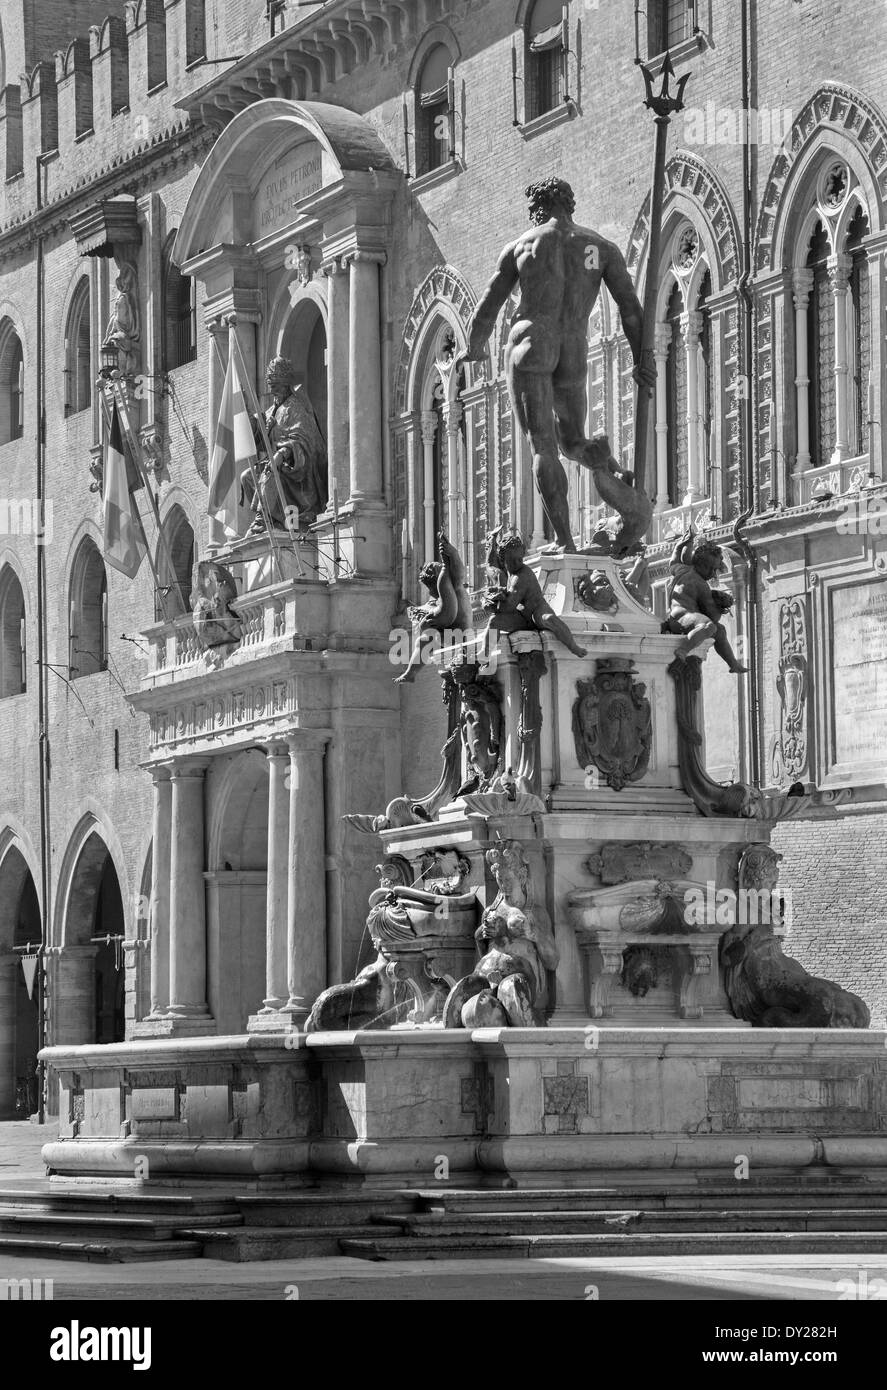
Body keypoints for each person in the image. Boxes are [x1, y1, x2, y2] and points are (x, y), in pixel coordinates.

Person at [461, 177, 656, 552]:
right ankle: (605, 469)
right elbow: (632, 310)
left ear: (537, 209)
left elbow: (487, 309)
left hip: (531, 343)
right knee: (573, 441)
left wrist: (473, 349)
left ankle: (565, 541)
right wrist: (641, 360)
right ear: (570, 205)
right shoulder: (601, 248)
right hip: (573, 347)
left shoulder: (523, 246)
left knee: (544, 448)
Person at [241, 356, 327, 536]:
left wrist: (282, 453)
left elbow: (304, 438)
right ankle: (273, 520)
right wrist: (245, 410)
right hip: (280, 465)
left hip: (299, 469)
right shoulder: (272, 411)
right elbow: (257, 436)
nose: (274, 392)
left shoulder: (295, 406)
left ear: (286, 385)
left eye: (277, 387)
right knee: (247, 476)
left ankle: (262, 519)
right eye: (272, 388)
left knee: (271, 472)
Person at [483, 524, 587, 658]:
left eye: (519, 559)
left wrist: (492, 601)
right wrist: (492, 541)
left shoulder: (523, 575)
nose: (517, 563)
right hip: (523, 617)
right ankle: (484, 656)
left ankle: (573, 646)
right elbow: (491, 564)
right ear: (503, 561)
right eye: (512, 560)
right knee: (494, 622)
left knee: (549, 619)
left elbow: (508, 606)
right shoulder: (507, 574)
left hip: (537, 611)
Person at [664, 525, 749, 673]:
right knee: (710, 627)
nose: (713, 573)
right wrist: (722, 605)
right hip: (682, 619)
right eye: (712, 569)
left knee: (720, 631)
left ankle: (733, 664)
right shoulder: (700, 583)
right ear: (702, 565)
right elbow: (713, 616)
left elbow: (674, 560)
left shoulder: (682, 569)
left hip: (676, 617)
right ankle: (683, 650)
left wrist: (682, 544)